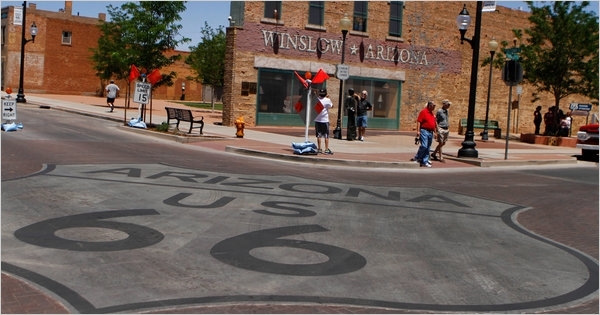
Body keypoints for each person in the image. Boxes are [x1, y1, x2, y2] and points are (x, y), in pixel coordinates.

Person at [411, 101, 437, 167]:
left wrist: (435, 132)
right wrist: (418, 131)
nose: (434, 107)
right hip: (424, 130)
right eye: (433, 105)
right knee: (424, 146)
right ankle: (419, 158)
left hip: (430, 132)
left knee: (428, 147)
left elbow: (433, 124)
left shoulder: (432, 114)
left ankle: (423, 160)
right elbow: (419, 122)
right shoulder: (423, 112)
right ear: (429, 105)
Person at [314, 88, 334, 154]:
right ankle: (326, 149)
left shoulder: (316, 99)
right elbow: (332, 106)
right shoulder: (327, 100)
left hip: (317, 119)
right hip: (325, 120)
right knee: (326, 135)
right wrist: (327, 98)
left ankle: (319, 149)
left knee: (319, 135)